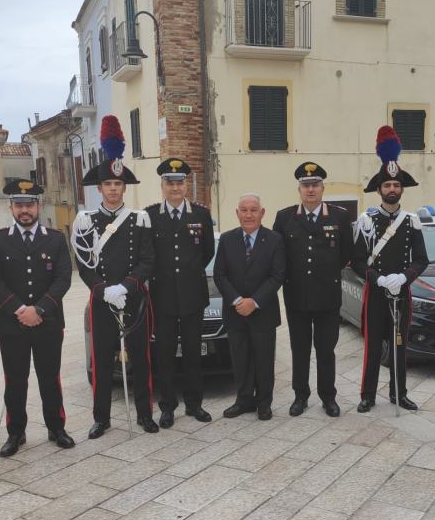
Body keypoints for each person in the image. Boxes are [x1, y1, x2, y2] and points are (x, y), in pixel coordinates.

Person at [72, 115, 158, 437]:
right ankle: (101, 418)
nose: (112, 189)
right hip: (102, 300)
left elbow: (149, 260)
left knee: (141, 358)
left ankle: (145, 414)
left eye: (117, 184)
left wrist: (127, 285)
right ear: (100, 188)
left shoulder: (140, 220)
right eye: (107, 184)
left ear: (124, 187)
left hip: (134, 300)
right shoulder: (85, 221)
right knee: (103, 361)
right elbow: (83, 264)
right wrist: (103, 288)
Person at [0, 180, 75, 457]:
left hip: (48, 322)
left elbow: (63, 278)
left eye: (29, 204)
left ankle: (56, 427)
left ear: (39, 206)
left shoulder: (56, 238)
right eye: (19, 205)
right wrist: (20, 309)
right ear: (11, 207)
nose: (25, 210)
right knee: (15, 379)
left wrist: (40, 309)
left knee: (50, 377)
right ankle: (15, 432)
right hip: (12, 324)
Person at [352, 126, 429, 413]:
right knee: (373, 347)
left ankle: (399, 393)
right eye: (387, 186)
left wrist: (404, 278)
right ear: (380, 189)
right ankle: (367, 395)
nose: (392, 190)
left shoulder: (412, 222)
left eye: (396, 186)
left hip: (401, 292)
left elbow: (422, 259)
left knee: (399, 345)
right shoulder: (366, 221)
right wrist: (379, 278)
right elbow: (357, 261)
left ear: (401, 189)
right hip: (376, 292)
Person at [273, 162, 353, 417]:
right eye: (306, 185)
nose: (311, 190)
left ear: (322, 188)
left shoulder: (339, 217)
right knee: (300, 349)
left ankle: (328, 397)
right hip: (296, 297)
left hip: (328, 298)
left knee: (326, 350)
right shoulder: (284, 217)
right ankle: (300, 396)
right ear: (299, 188)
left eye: (315, 185)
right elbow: (278, 256)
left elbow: (346, 255)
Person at [145, 158, 215, 428]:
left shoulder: (200, 215)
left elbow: (207, 251)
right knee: (163, 355)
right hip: (161, 298)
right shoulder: (150, 216)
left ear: (187, 185)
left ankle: (194, 404)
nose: (175, 188)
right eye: (169, 183)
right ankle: (167, 406)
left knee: (192, 354)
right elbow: (147, 254)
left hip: (192, 297)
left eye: (179, 182)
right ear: (162, 185)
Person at [213, 193, 285, 420]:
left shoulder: (275, 240)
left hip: (262, 311)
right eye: (244, 210)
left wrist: (254, 301)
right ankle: (243, 400)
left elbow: (277, 276)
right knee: (240, 358)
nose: (248, 214)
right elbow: (220, 275)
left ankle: (264, 403)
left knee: (264, 360)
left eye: (254, 210)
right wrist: (237, 301)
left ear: (262, 213)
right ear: (237, 213)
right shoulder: (226, 239)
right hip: (235, 312)